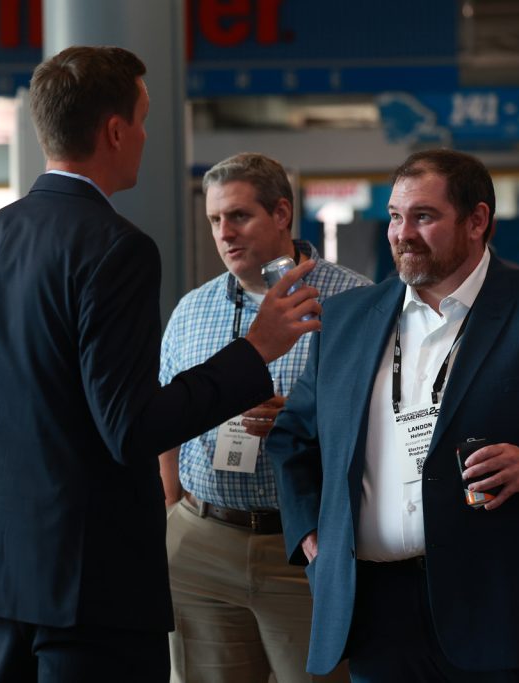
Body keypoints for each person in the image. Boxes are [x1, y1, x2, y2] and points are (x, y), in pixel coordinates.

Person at [0, 46, 320, 683]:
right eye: (143, 121)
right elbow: (131, 427)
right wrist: (255, 352)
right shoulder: (115, 248)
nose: (146, 137)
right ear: (115, 131)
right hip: (90, 581)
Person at [269, 149, 519, 683]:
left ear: (477, 221)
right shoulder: (345, 320)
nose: (403, 234)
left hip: (512, 608)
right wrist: (311, 533)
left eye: (424, 216)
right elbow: (292, 436)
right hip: (380, 616)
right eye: (395, 216)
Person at [159, 152, 367, 683]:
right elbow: (164, 418)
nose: (223, 233)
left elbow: (383, 422)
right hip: (202, 544)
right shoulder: (191, 310)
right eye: (214, 219)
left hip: (303, 546)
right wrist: (173, 505)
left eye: (238, 216)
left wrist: (301, 423)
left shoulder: (355, 302)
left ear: (281, 213)